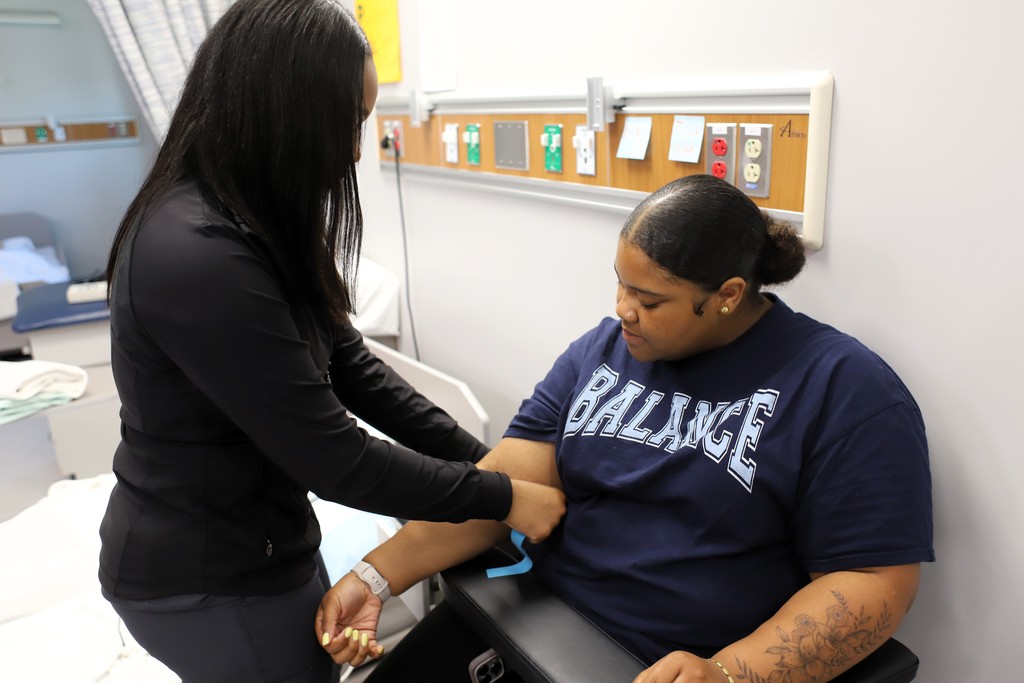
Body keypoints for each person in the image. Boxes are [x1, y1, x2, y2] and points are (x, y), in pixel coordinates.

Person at [96, 1, 564, 681]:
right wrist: (499, 496)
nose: (352, 150)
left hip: (264, 539)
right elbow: (335, 458)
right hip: (206, 572)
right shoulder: (193, 254)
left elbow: (355, 369)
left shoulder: (258, 215)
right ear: (282, 112)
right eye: (347, 124)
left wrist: (490, 465)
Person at [317, 174, 934, 683]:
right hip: (527, 624)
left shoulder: (843, 389)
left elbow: (875, 583)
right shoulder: (607, 350)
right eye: (620, 282)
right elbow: (503, 482)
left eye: (651, 299)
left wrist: (731, 674)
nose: (622, 309)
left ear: (728, 294)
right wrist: (375, 575)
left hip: (655, 664)